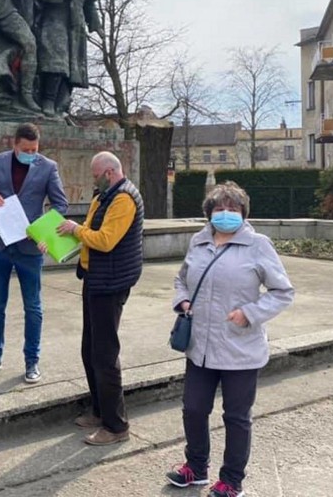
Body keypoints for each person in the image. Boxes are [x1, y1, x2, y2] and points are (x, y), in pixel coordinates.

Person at [165, 181, 294, 497]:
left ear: (243, 213)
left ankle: (231, 480)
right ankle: (195, 467)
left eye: (232, 209)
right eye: (219, 209)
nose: (225, 214)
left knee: (236, 417)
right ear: (209, 213)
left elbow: (282, 292)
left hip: (240, 348)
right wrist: (182, 301)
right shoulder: (199, 241)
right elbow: (181, 279)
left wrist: (249, 312)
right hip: (200, 347)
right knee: (193, 409)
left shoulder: (258, 245)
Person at [55, 151, 143, 446]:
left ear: (109, 173)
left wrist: (76, 229)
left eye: (94, 175)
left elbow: (104, 240)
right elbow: (87, 236)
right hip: (95, 280)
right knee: (89, 349)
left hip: (111, 283)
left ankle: (116, 426)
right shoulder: (102, 197)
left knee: (105, 355)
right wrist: (58, 244)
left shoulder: (123, 199)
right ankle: (98, 409)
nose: (92, 180)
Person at [0, 122, 68, 383]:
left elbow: (61, 204)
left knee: (33, 307)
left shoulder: (48, 167)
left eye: (35, 149)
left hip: (30, 247)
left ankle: (32, 361)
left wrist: (43, 231)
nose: (31, 153)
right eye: (26, 149)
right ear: (14, 144)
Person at [35, 0, 103, 117]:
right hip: (55, 21)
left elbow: (89, 2)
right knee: (56, 63)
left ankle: (61, 107)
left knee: (74, 69)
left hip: (76, 25)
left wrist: (96, 25)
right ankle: (47, 102)